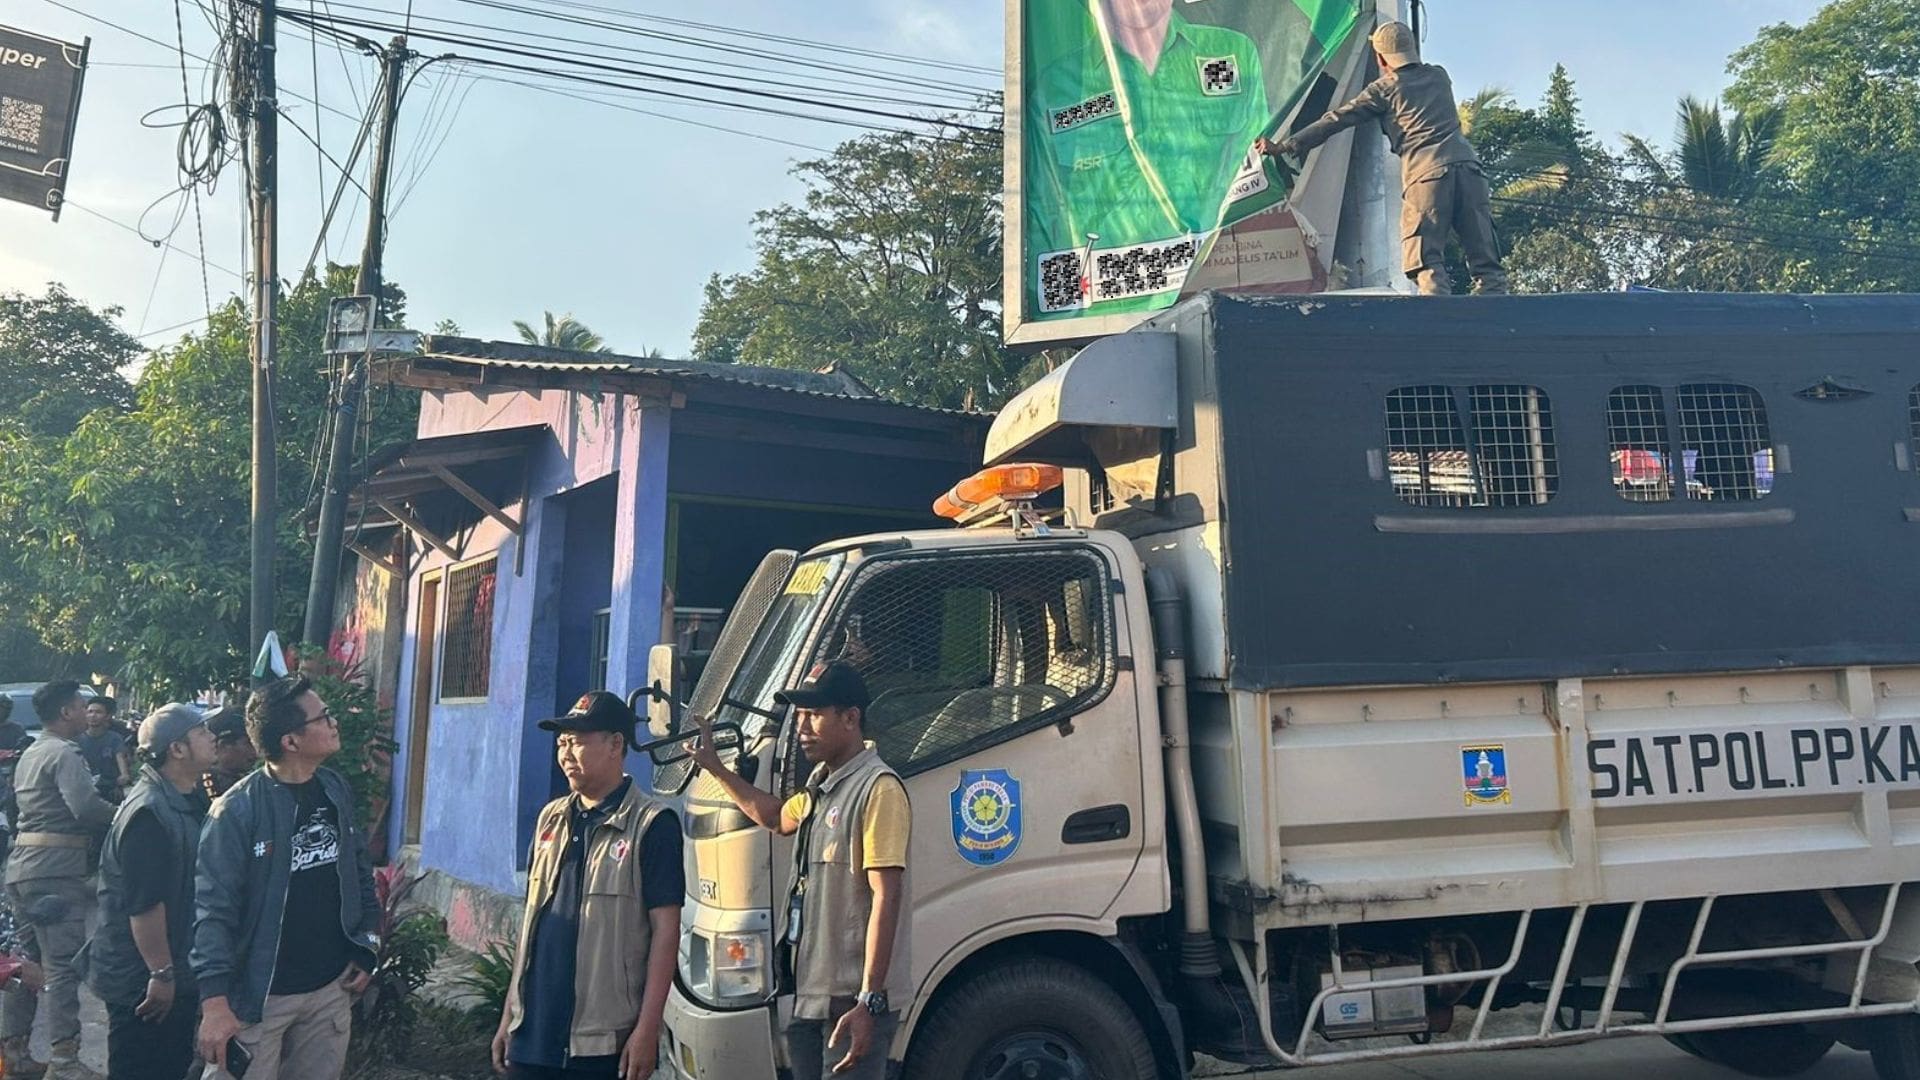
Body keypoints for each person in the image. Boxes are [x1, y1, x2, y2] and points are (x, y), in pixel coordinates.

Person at [690, 661, 911, 1080]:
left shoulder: (878, 790)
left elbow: (887, 895)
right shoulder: (821, 785)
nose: (802, 727)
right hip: (811, 993)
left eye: (814, 714)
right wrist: (717, 769)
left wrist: (870, 1001)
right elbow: (776, 818)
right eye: (800, 715)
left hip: (850, 1002)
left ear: (850, 719)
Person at [192, 676, 378, 1080]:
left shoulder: (334, 789)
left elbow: (358, 870)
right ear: (291, 741)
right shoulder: (236, 813)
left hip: (329, 989)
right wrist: (215, 1002)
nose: (334, 723)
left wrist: (367, 944)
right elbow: (213, 910)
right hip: (258, 998)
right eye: (324, 716)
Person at [489, 692, 682, 1080]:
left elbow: (666, 932)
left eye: (577, 741)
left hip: (603, 1043)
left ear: (616, 745)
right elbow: (532, 927)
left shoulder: (652, 825)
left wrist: (647, 1029)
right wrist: (509, 1016)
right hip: (534, 1035)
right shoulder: (551, 819)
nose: (566, 753)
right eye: (562, 743)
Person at [1258, 21, 1508, 296]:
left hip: (1426, 177)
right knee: (1488, 267)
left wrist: (1285, 145)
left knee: (1427, 263)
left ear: (1379, 58)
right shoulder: (1439, 76)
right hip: (1470, 170)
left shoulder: (1384, 89)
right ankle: (1495, 321)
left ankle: (1438, 324)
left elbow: (1336, 119)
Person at [1032, 0, 1271, 269]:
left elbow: (1263, 175)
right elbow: (1041, 217)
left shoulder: (1232, 52)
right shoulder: (1055, 90)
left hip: (1227, 275)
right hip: (1113, 299)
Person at [81, 704, 215, 1080]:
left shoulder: (183, 799)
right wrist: (162, 973)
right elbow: (144, 904)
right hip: (144, 980)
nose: (213, 738)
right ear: (177, 749)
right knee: (141, 1068)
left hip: (171, 967)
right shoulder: (149, 812)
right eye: (203, 732)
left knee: (169, 1066)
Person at [2, 680, 116, 1079]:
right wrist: (126, 814)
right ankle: (65, 1061)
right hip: (55, 871)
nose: (88, 712)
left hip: (23, 868)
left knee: (26, 966)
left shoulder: (33, 752)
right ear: (66, 712)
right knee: (62, 966)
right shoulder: (65, 753)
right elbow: (84, 807)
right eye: (82, 705)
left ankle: (13, 1053)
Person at [197, 705, 257, 810]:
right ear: (224, 745)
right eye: (249, 743)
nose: (256, 752)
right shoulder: (211, 785)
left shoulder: (245, 780)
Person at [78, 698, 132, 802]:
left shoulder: (114, 739)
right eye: (90, 712)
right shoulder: (76, 739)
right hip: (83, 790)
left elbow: (121, 758)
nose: (93, 715)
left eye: (98, 712)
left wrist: (124, 775)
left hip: (108, 789)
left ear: (107, 716)